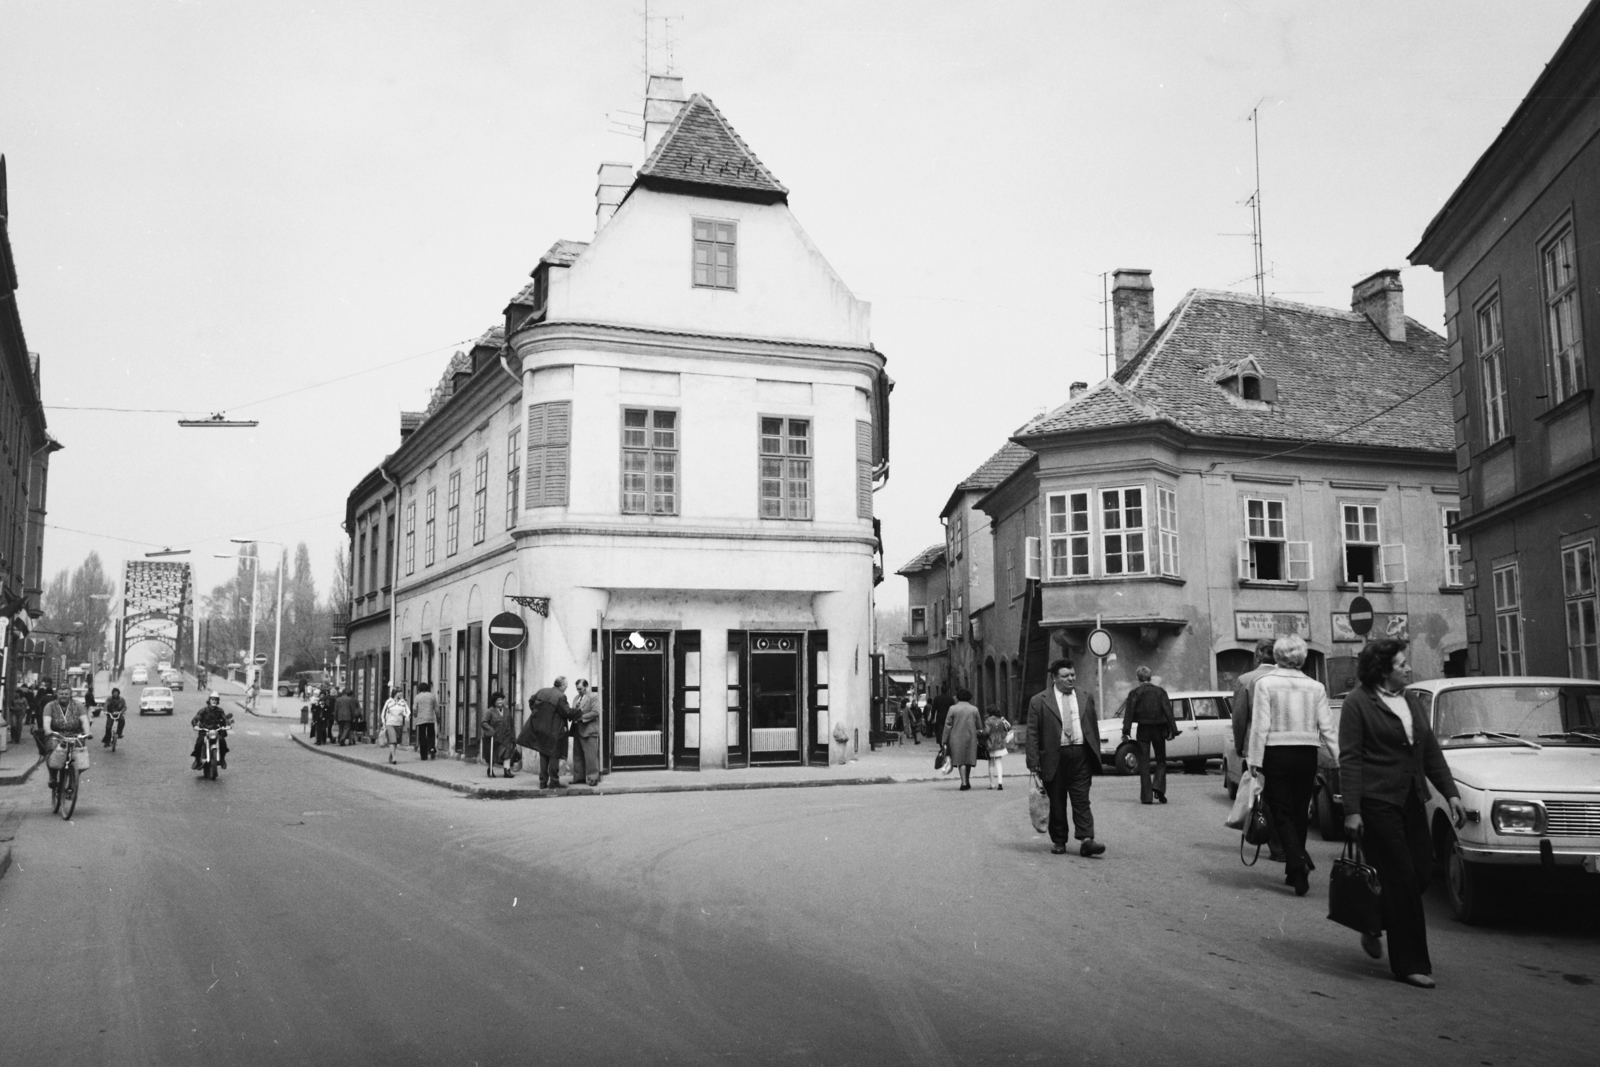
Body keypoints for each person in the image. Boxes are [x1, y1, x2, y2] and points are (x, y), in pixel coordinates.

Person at [1339, 639, 1465, 989]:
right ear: (1382, 671)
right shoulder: (1357, 703)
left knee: (1422, 873)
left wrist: (1451, 793)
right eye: (1401, 664)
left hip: (1411, 798)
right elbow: (1350, 758)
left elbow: (1430, 751)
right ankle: (1410, 963)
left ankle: (1373, 920)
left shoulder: (1410, 699)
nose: (1408, 668)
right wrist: (1352, 811)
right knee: (1403, 879)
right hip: (1376, 801)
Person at [1245, 634, 1338, 897]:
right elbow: (1327, 727)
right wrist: (1339, 758)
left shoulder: (1265, 683)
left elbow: (1260, 725)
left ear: (1277, 655)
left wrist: (1254, 759)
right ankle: (1293, 872)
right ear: (1302, 657)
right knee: (1299, 810)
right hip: (1307, 753)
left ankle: (1297, 862)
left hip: (1276, 752)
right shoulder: (1315, 686)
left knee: (1281, 811)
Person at [1026, 659, 1105, 857]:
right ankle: (1059, 840)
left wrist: (1095, 752)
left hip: (1080, 754)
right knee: (1057, 801)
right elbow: (1032, 733)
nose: (1071, 679)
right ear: (1054, 678)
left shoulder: (1085, 696)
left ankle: (1086, 839)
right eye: (1065, 676)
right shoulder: (1039, 700)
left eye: (1072, 675)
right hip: (1054, 756)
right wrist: (1033, 763)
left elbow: (1092, 726)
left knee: (1081, 799)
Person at [1232, 638, 1286, 859]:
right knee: (1283, 796)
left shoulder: (1246, 680)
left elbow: (1239, 718)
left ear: (1256, 656)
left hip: (1257, 748)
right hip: (1286, 745)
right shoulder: (1288, 678)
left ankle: (1277, 846)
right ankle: (1289, 844)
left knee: (1262, 796)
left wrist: (1239, 745)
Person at [1121, 666, 1177, 805]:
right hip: (1159, 729)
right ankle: (1159, 788)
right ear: (1150, 677)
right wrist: (1173, 729)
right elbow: (1168, 711)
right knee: (1161, 761)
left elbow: (1129, 713)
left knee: (1144, 762)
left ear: (1138, 678)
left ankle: (1146, 797)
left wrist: (1126, 732)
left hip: (1143, 730)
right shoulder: (1160, 692)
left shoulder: (1135, 693)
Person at [524, 677, 571, 788]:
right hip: (554, 730)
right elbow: (566, 712)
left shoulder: (542, 691)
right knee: (554, 755)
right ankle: (554, 781)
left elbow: (531, 701)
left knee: (543, 754)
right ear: (562, 685)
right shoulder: (561, 696)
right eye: (566, 685)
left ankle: (543, 782)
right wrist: (579, 712)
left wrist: (538, 714)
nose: (567, 687)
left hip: (541, 729)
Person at [42, 687, 91, 792]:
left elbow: (84, 720)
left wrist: (87, 732)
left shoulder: (78, 705)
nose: (63, 696)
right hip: (56, 735)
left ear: (70, 695)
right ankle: (53, 776)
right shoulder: (50, 706)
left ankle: (74, 780)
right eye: (61, 694)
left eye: (66, 694)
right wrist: (48, 730)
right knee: (52, 751)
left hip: (75, 734)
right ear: (56, 694)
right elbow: (46, 721)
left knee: (80, 757)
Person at [940, 688, 982, 790]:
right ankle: (967, 780)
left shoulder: (953, 709)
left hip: (956, 737)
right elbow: (979, 726)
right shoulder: (974, 709)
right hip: (971, 737)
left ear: (958, 697)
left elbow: (948, 725)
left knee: (961, 760)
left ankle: (963, 782)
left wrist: (944, 740)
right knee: (968, 759)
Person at [569, 679, 602, 786]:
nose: (579, 691)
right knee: (577, 755)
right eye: (577, 689)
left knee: (590, 755)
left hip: (589, 730)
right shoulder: (576, 698)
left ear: (586, 686)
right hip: (577, 729)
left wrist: (581, 717)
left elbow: (596, 712)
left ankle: (593, 777)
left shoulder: (593, 697)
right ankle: (579, 777)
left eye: (580, 689)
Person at [190, 691, 234, 770]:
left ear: (218, 701)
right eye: (212, 699)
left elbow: (225, 719)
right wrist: (195, 725)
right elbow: (195, 719)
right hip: (204, 731)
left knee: (222, 741)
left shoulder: (220, 711)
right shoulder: (203, 710)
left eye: (216, 700)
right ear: (209, 700)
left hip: (216, 731)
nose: (214, 701)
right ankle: (197, 760)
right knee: (199, 743)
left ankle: (222, 759)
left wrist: (227, 725)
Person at [479, 691, 516, 777]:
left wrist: (513, 736)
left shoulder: (507, 711)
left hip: (506, 735)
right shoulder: (490, 711)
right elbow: (484, 722)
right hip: (495, 737)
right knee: (493, 754)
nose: (500, 702)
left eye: (501, 700)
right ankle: (490, 769)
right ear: (494, 701)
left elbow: (511, 723)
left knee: (507, 753)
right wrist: (490, 730)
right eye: (498, 700)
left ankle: (507, 771)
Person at [981, 707, 1012, 789]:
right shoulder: (1001, 720)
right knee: (999, 763)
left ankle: (992, 783)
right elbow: (1008, 728)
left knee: (991, 764)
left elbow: (987, 732)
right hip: (1000, 743)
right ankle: (1000, 782)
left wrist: (981, 733)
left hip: (990, 744)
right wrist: (1004, 720)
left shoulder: (988, 721)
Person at [381, 686, 410, 765]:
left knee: (396, 741)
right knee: (392, 740)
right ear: (395, 693)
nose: (401, 693)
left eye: (401, 692)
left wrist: (407, 716)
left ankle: (391, 755)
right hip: (390, 723)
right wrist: (383, 723)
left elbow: (407, 711)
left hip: (399, 724)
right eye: (399, 692)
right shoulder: (389, 702)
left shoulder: (403, 702)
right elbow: (383, 713)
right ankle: (394, 758)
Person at [412, 681, 440, 760]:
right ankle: (432, 748)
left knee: (422, 736)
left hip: (421, 719)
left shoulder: (417, 697)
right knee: (431, 734)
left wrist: (415, 714)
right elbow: (436, 708)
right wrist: (438, 717)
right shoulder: (432, 696)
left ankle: (424, 755)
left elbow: (414, 708)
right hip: (430, 718)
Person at [929, 685, 955, 751]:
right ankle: (947, 744)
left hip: (940, 717)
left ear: (941, 690)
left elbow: (933, 709)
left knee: (940, 732)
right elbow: (953, 709)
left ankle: (941, 745)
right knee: (948, 731)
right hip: (948, 717)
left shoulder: (937, 698)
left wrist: (932, 718)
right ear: (947, 691)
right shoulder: (950, 699)